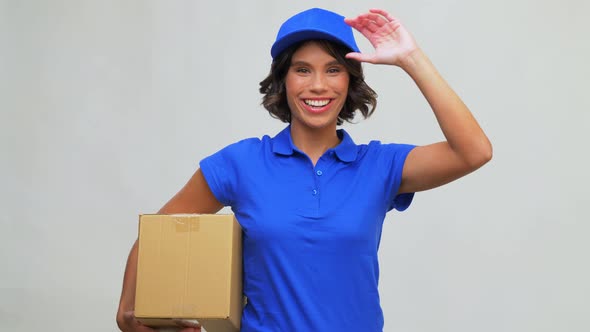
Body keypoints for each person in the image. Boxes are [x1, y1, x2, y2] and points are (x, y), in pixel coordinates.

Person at [116, 7, 492, 332]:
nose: (317, 85)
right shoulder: (242, 163)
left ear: (350, 80)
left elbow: (474, 151)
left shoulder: (380, 166)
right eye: (302, 69)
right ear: (283, 78)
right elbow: (159, 233)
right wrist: (127, 309)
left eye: (333, 70)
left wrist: (411, 58)